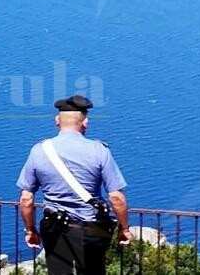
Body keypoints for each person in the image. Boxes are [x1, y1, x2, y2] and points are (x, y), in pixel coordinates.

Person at [16, 95, 132, 275]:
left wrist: (30, 229)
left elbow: (26, 199)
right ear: (85, 122)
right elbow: (116, 197)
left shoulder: (39, 151)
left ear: (57, 121)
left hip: (54, 227)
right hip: (92, 228)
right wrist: (124, 228)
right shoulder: (99, 151)